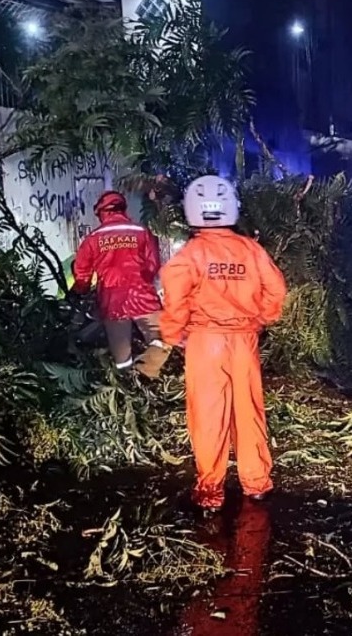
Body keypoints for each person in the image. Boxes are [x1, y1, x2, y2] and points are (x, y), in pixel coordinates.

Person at [159, 175, 287, 510]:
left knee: (208, 416)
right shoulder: (251, 249)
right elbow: (276, 290)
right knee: (249, 411)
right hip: (244, 342)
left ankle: (210, 492)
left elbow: (175, 298)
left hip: (205, 343)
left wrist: (174, 333)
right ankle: (257, 483)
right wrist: (260, 318)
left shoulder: (191, 254)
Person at [71, 190, 168, 377]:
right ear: (123, 209)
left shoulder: (93, 238)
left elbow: (82, 272)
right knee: (163, 341)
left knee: (122, 360)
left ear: (101, 212)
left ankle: (128, 388)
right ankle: (147, 376)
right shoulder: (141, 232)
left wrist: (80, 290)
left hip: (112, 300)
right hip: (142, 294)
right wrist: (142, 281)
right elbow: (153, 264)